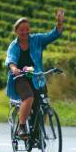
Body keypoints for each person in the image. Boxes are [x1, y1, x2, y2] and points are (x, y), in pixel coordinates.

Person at [5, 8, 64, 137]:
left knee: (42, 103)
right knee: (29, 97)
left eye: (27, 29)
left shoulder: (37, 40)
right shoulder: (14, 46)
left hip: (36, 76)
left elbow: (53, 35)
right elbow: (11, 60)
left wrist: (59, 23)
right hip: (20, 77)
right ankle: (21, 127)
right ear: (16, 31)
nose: (25, 32)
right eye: (21, 30)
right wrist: (14, 69)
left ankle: (38, 132)